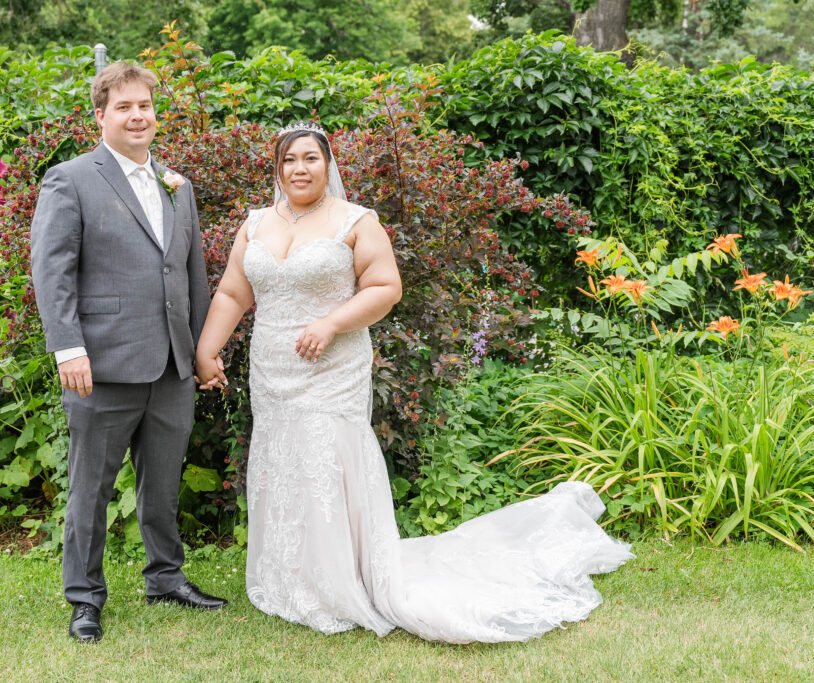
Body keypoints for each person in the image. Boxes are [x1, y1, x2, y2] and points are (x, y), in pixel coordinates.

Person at [195, 121, 634, 643]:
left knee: (326, 457)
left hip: (332, 366)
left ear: (328, 165)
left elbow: (385, 287)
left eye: (310, 158)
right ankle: (291, 576)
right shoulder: (256, 224)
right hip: (273, 370)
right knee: (284, 458)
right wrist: (207, 350)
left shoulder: (355, 221)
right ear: (277, 168)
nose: (299, 169)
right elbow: (231, 294)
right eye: (289, 160)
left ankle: (343, 579)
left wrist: (332, 323)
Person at [31, 62, 226, 644]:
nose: (137, 115)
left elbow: (191, 274)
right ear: (100, 115)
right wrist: (68, 347)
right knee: (90, 488)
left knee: (162, 483)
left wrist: (197, 353)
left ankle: (166, 576)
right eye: (124, 107)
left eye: (145, 105)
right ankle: (85, 598)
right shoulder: (70, 179)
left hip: (170, 367)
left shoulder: (177, 185)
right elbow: (52, 272)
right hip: (101, 365)